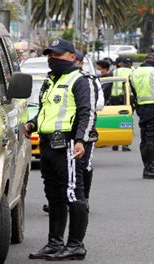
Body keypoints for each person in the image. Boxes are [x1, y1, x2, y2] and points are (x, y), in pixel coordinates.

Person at [26, 39, 98, 261]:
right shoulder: (51, 81)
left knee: (73, 193)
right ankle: (54, 243)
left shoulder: (81, 80)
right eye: (49, 55)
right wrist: (32, 124)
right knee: (54, 196)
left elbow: (88, 113)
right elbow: (47, 111)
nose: (52, 59)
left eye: (56, 55)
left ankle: (76, 245)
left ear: (70, 56)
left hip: (68, 144)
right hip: (48, 144)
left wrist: (81, 141)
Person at [43, 50, 104, 213]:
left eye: (76, 61)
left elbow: (96, 107)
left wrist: (80, 138)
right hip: (56, 138)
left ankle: (83, 199)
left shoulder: (86, 80)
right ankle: (63, 202)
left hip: (82, 134)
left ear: (79, 62)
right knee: (59, 181)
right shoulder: (52, 79)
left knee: (83, 168)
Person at [110, 56, 134, 152]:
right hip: (127, 98)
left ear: (121, 63)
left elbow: (109, 84)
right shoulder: (133, 72)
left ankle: (115, 143)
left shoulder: (115, 71)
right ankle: (125, 145)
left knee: (115, 120)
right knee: (127, 121)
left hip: (114, 98)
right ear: (131, 64)